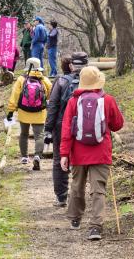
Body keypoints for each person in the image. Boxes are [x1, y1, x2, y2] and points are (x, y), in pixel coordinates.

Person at [60, 66, 124, 241]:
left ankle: (75, 219)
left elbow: (66, 129)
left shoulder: (73, 102)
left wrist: (64, 154)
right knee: (98, 190)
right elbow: (118, 125)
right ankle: (95, 227)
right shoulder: (107, 100)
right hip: (101, 152)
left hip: (78, 152)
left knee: (77, 185)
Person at [43, 52, 88, 207]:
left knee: (59, 160)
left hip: (62, 126)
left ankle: (61, 196)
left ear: (70, 65)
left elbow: (53, 106)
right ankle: (78, 195)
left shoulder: (61, 81)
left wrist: (48, 128)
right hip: (85, 126)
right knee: (81, 159)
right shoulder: (91, 80)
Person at [6, 58, 52, 171]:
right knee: (39, 135)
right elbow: (51, 93)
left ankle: (24, 157)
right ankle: (37, 155)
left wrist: (11, 110)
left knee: (24, 134)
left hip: (23, 111)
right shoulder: (44, 80)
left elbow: (15, 95)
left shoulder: (21, 79)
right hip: (39, 112)